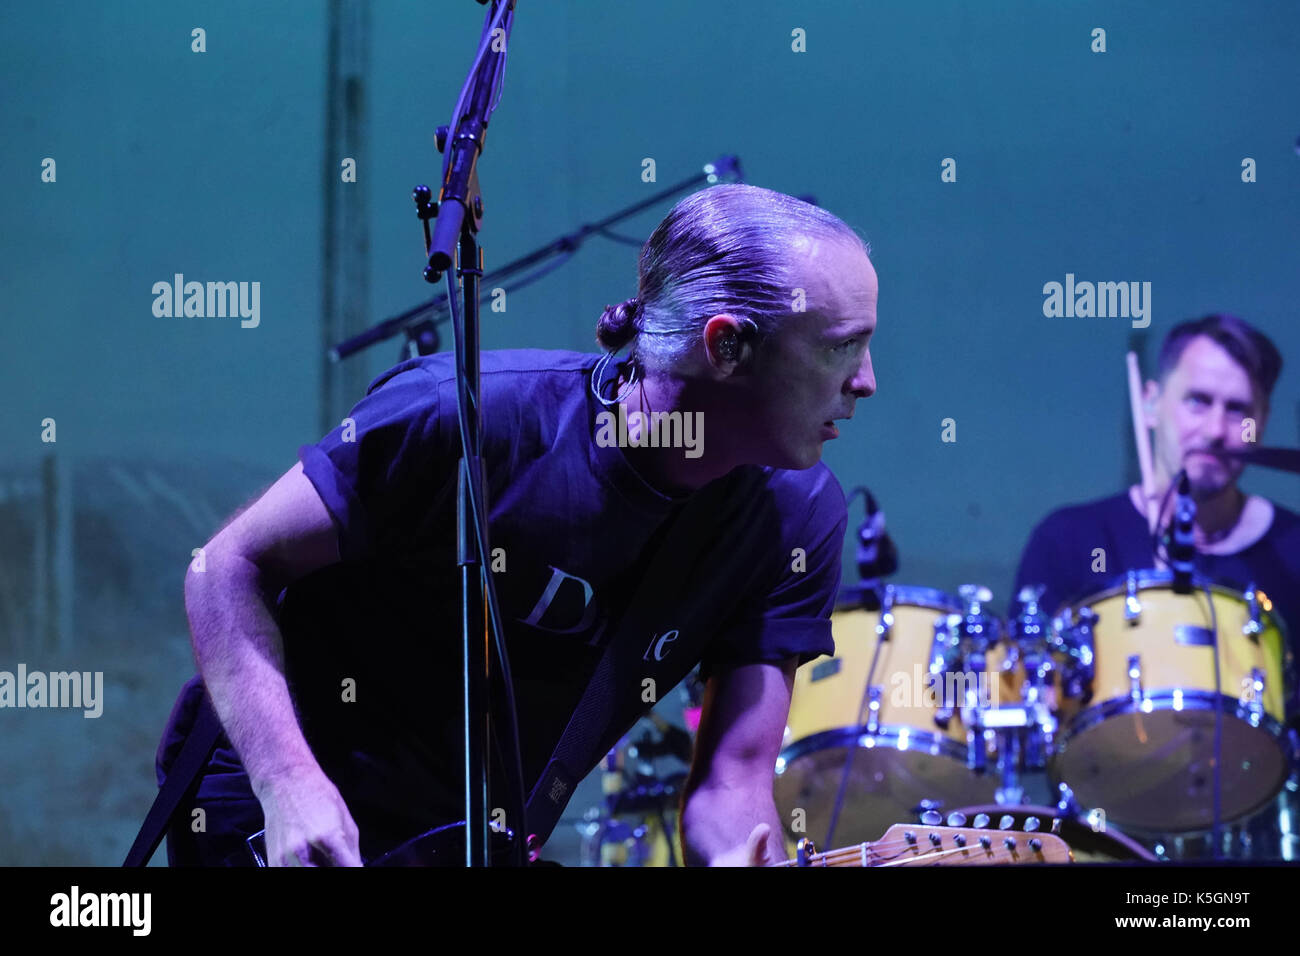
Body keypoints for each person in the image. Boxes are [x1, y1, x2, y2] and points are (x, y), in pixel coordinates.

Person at [157, 183, 879, 867]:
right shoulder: (468, 419)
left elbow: (734, 783)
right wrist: (288, 785)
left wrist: (737, 858)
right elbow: (224, 566)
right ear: (725, 346)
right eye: (840, 347)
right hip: (277, 817)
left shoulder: (797, 518)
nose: (866, 381)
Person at [1014, 313, 1300, 649]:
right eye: (1197, 401)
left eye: (1237, 410)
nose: (1215, 431)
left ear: (1261, 424)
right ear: (1150, 404)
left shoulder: (1293, 549)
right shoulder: (1069, 542)